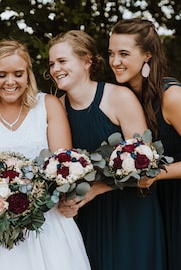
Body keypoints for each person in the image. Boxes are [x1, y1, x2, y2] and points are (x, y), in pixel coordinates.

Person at [0, 39, 91, 270]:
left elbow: (62, 167)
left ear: (28, 75)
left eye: (18, 74)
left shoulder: (49, 105)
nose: (10, 81)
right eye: (2, 74)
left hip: (46, 223)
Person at [48, 30, 167, 270]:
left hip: (131, 210)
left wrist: (97, 189)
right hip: (90, 214)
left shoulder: (119, 97)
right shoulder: (56, 108)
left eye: (62, 61)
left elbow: (146, 163)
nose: (55, 69)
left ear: (87, 61)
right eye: (51, 63)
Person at [108, 18, 181, 270]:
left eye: (124, 54)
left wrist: (155, 175)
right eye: (111, 53)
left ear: (147, 55)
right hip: (153, 205)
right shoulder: (124, 98)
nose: (115, 61)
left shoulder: (172, 97)